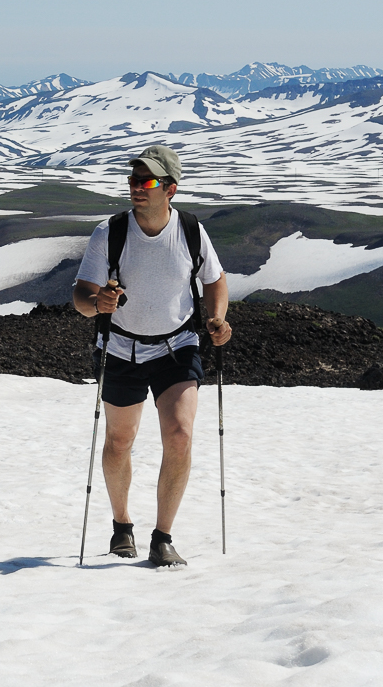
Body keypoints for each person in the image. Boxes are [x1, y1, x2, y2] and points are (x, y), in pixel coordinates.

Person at [72, 144, 232, 567]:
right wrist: (97, 304)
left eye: (147, 181)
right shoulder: (111, 232)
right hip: (121, 347)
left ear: (170, 189)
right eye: (133, 180)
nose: (137, 188)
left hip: (177, 346)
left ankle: (163, 537)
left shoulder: (192, 232)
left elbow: (215, 282)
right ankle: (122, 526)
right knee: (120, 440)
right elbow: (81, 296)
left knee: (179, 434)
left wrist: (216, 319)